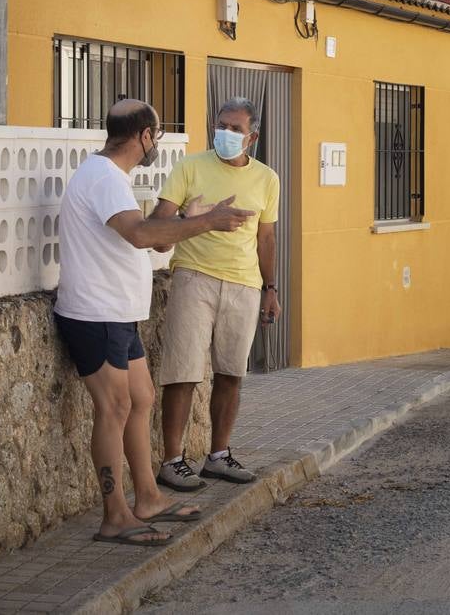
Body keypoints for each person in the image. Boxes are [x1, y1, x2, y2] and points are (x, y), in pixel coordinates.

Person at [55, 99, 254, 546]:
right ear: (144, 136)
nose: (156, 143)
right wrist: (207, 223)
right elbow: (142, 234)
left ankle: (147, 498)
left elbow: (151, 237)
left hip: (119, 315)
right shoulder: (105, 178)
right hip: (96, 313)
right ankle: (115, 516)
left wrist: (195, 219)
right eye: (157, 135)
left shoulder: (111, 177)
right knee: (114, 408)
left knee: (141, 398)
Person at [152, 97, 281, 491]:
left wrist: (270, 289)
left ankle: (218, 457)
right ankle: (172, 461)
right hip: (194, 278)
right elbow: (158, 226)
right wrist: (198, 219)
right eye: (221, 125)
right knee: (183, 372)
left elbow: (267, 236)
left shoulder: (267, 179)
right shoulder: (190, 166)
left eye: (235, 129)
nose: (225, 133)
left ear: (252, 136)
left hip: (244, 285)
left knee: (231, 374)